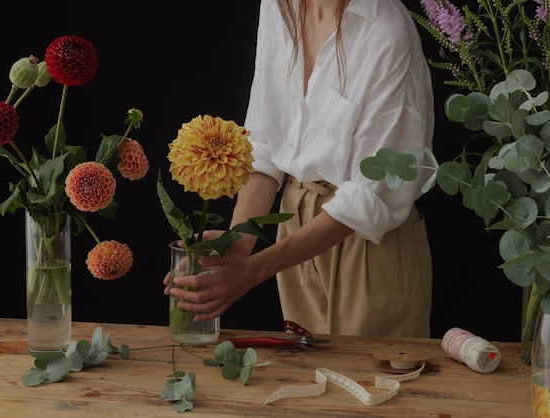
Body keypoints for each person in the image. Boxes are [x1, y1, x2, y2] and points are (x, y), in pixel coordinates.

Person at [164, 0, 434, 337]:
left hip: (368, 246)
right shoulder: (278, 8)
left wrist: (253, 270)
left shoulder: (386, 30)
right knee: (307, 380)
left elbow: (367, 197)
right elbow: (263, 142)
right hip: (294, 234)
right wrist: (239, 241)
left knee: (375, 383)